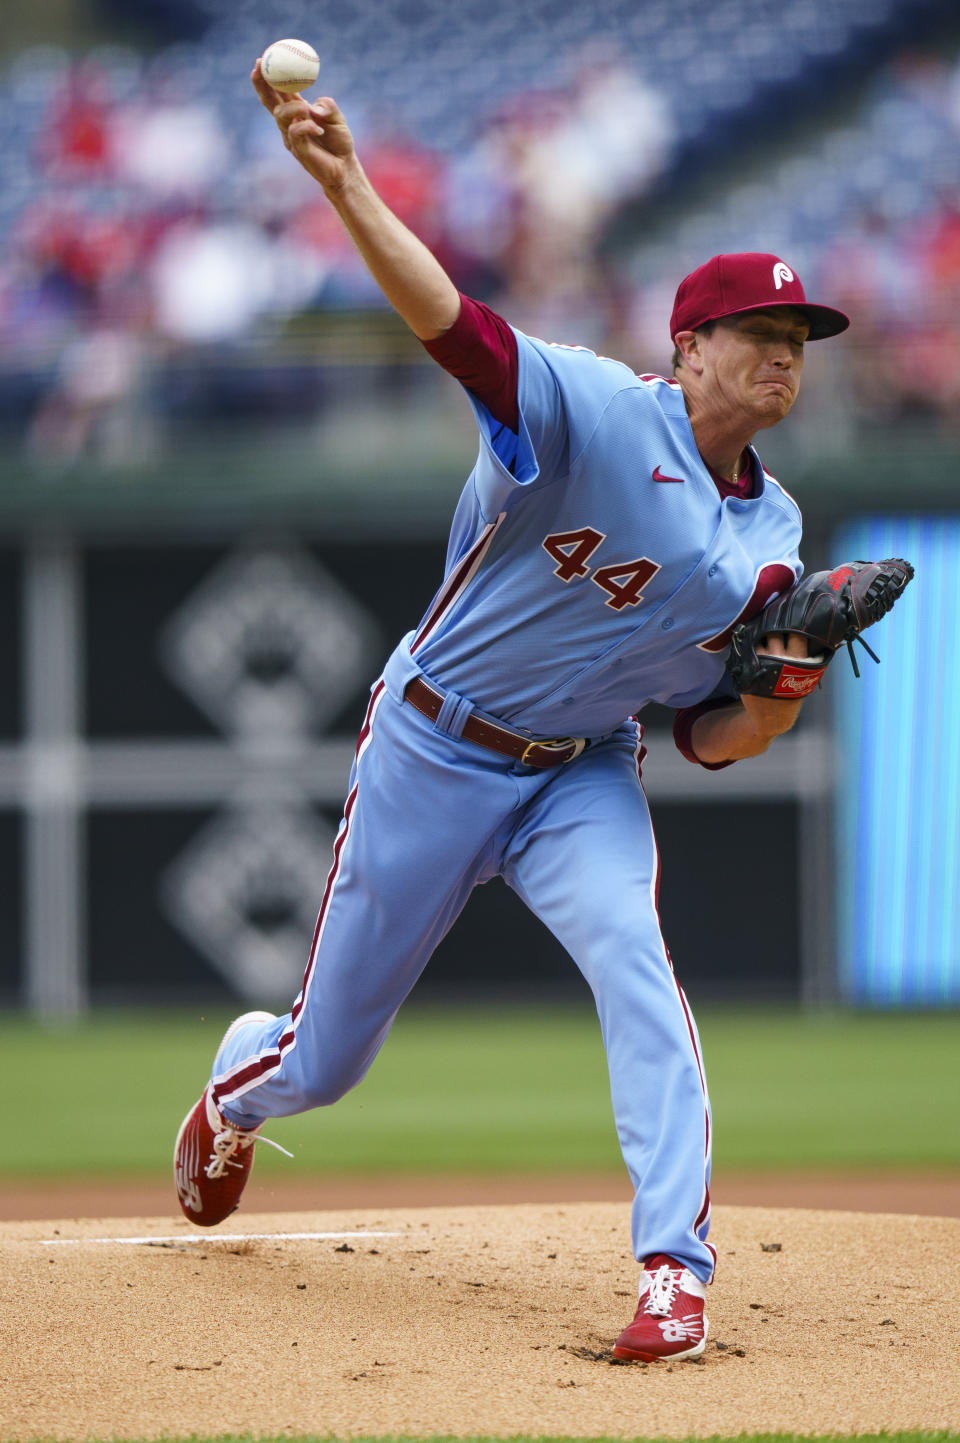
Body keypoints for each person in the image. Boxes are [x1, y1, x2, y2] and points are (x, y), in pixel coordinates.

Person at [174, 61, 851, 1364]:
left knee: (637, 970)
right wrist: (346, 184)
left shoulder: (777, 537)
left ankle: (675, 1275)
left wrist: (781, 693)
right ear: (690, 347)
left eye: (800, 342)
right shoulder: (591, 407)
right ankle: (231, 1098)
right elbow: (452, 325)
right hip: (434, 740)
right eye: (761, 336)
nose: (784, 358)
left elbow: (713, 735)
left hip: (582, 773)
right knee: (324, 1060)